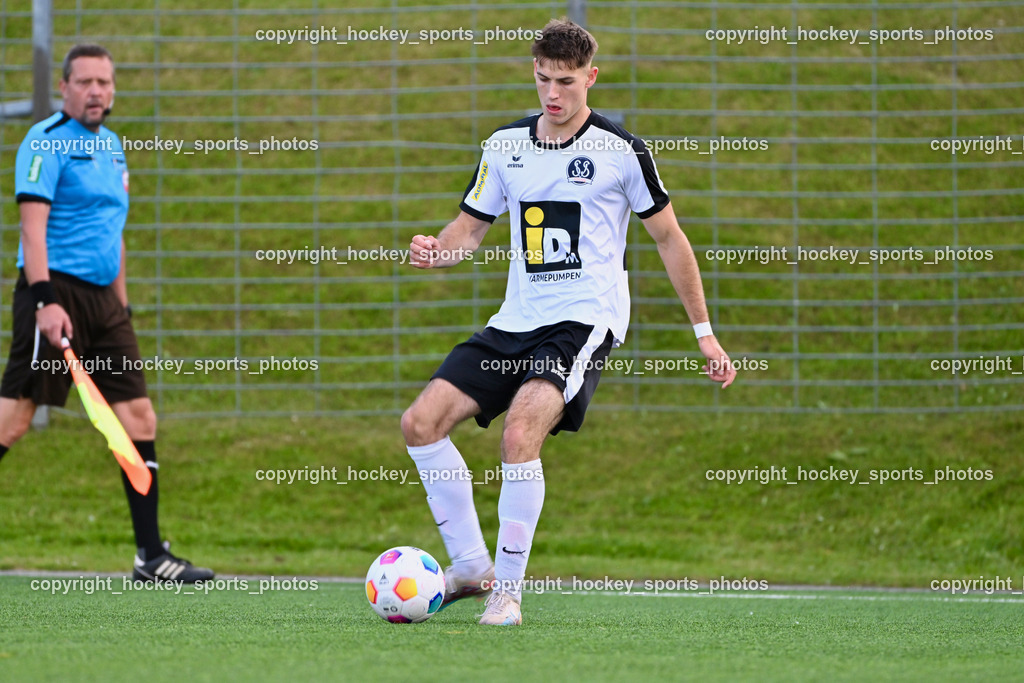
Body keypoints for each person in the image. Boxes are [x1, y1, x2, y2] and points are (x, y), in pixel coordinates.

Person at [401, 19, 736, 626]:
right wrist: (438, 249)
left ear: (590, 77)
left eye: (565, 81)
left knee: (519, 435)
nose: (552, 94)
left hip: (583, 322)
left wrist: (703, 332)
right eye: (541, 80)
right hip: (515, 320)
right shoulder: (505, 145)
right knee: (421, 423)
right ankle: (471, 566)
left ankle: (507, 592)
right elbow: (470, 228)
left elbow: (669, 239)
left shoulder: (620, 150)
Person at [0, 44, 213, 583]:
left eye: (105, 82)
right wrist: (45, 300)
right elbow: (32, 227)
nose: (97, 91)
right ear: (66, 87)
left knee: (140, 417)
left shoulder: (115, 147)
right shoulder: (45, 142)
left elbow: (112, 233)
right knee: (15, 419)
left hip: (105, 303)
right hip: (52, 295)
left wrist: (122, 303)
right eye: (86, 81)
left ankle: (151, 557)